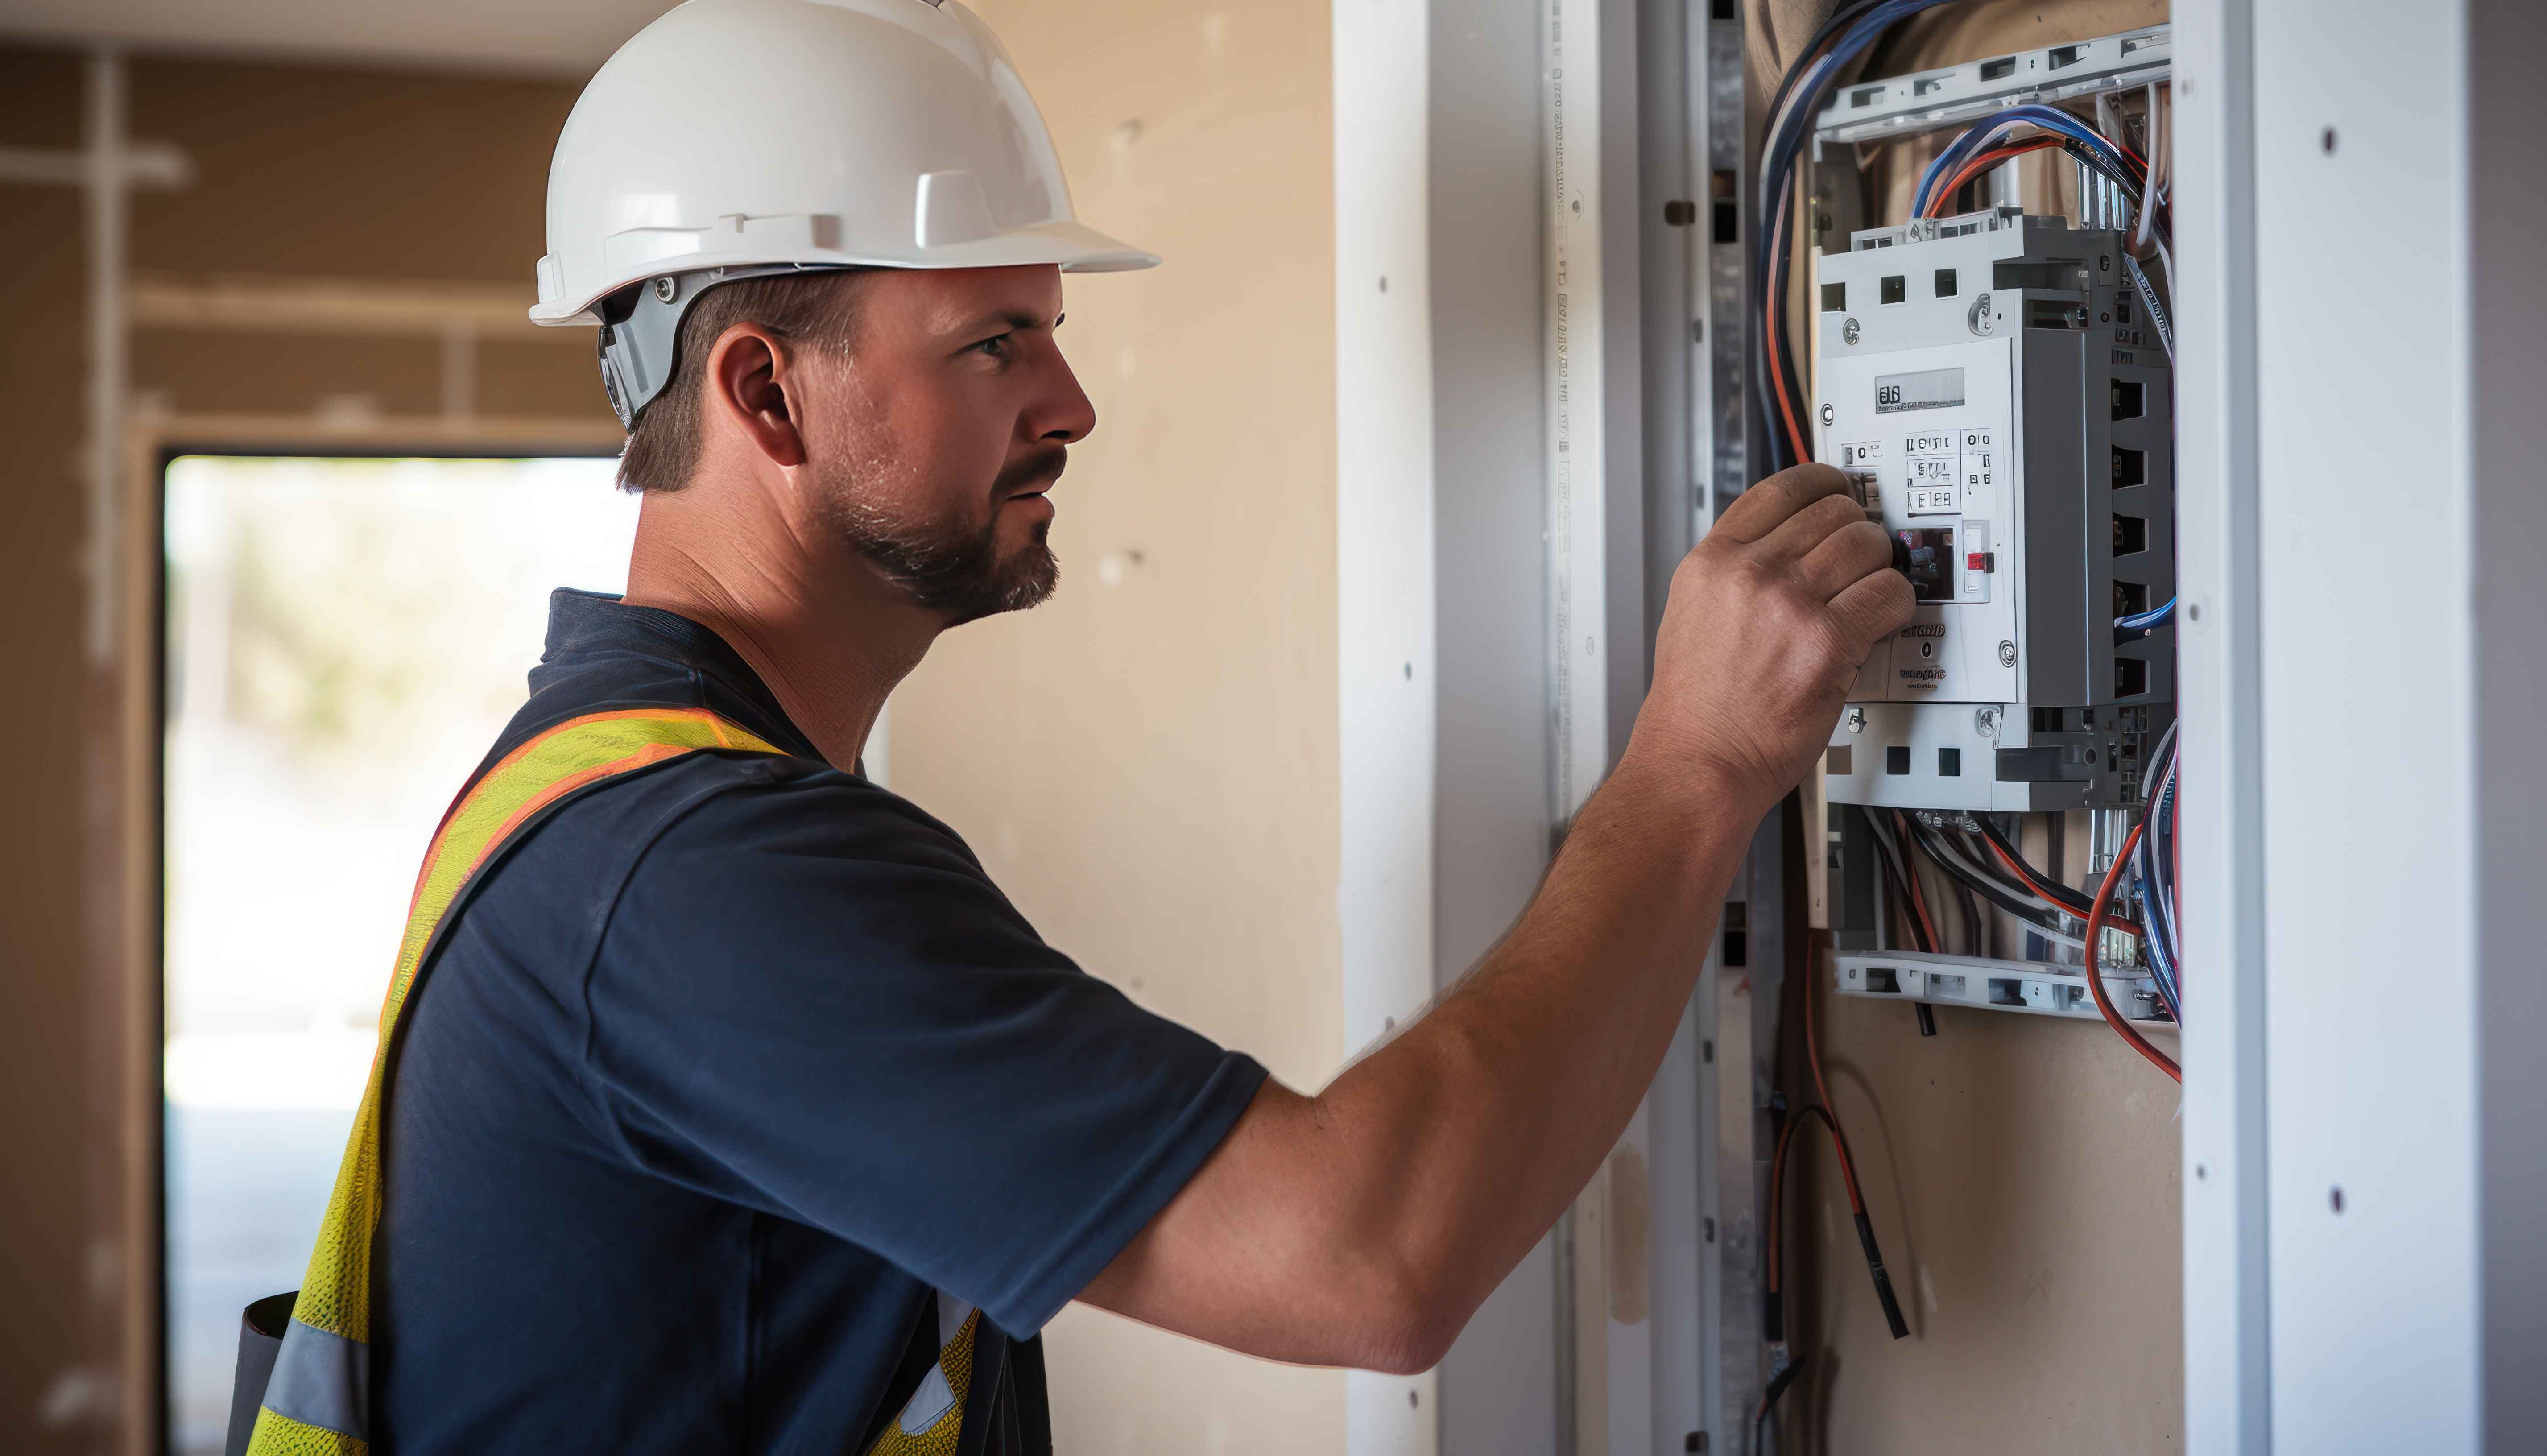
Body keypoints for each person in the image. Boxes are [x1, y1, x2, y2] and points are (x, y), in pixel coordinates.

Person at [233, 1, 1914, 1451]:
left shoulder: (620, 800)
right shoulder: (698, 876)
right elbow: (1370, 1257)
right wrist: (1697, 766)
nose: (1072, 402)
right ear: (765, 394)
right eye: (994, 341)